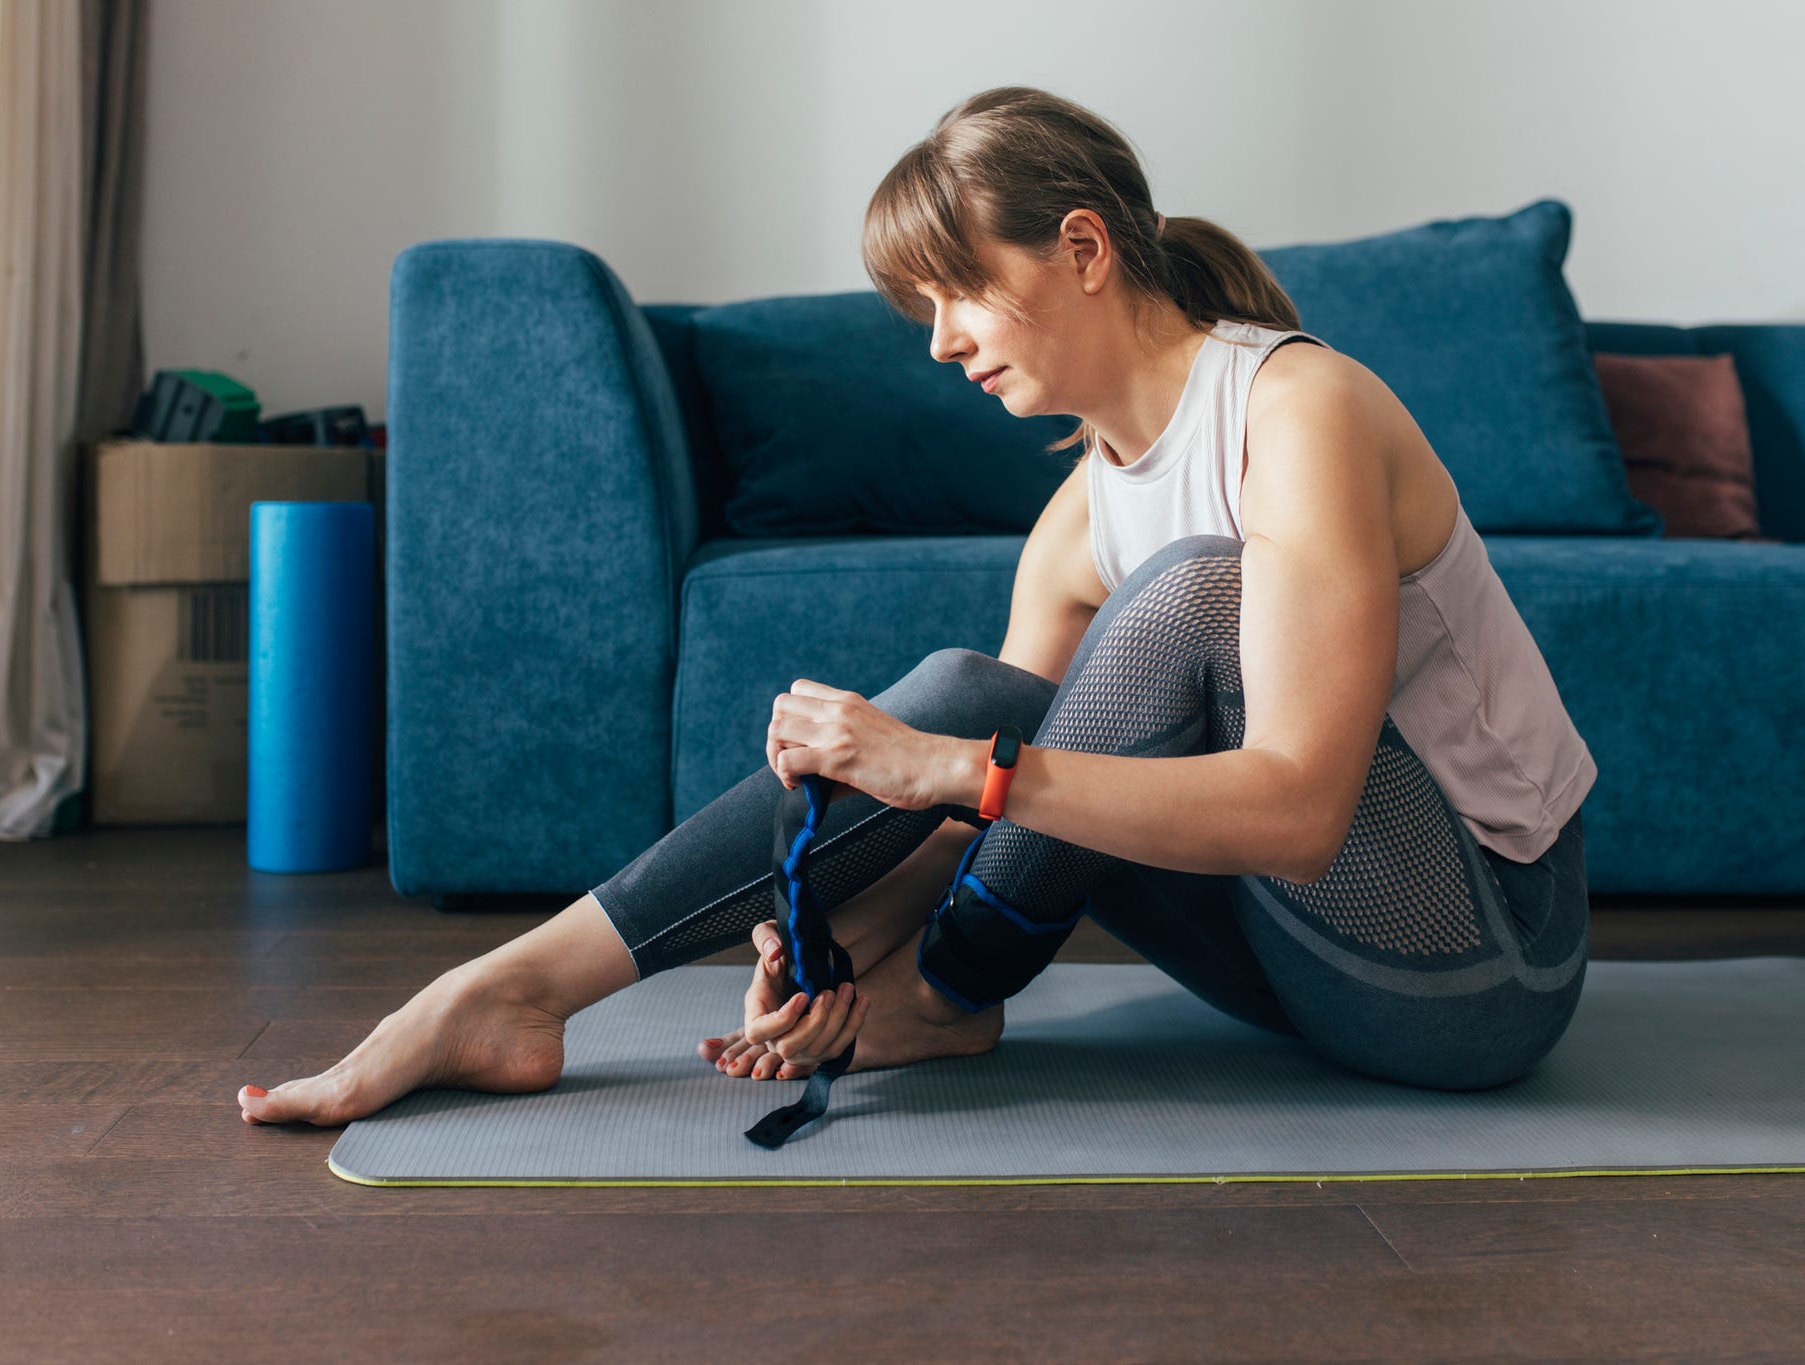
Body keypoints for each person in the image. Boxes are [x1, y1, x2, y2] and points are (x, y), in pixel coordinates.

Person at [237, 85, 1594, 1129]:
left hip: (1478, 975)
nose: (939, 339)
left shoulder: (1298, 413)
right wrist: (845, 930)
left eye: (956, 291)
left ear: (1081, 248)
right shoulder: (1079, 521)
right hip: (1295, 957)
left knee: (1163, 614)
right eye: (922, 306)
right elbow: (1006, 819)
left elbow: (1297, 804)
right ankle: (528, 988)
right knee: (972, 695)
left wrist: (946, 771)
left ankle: (918, 1001)